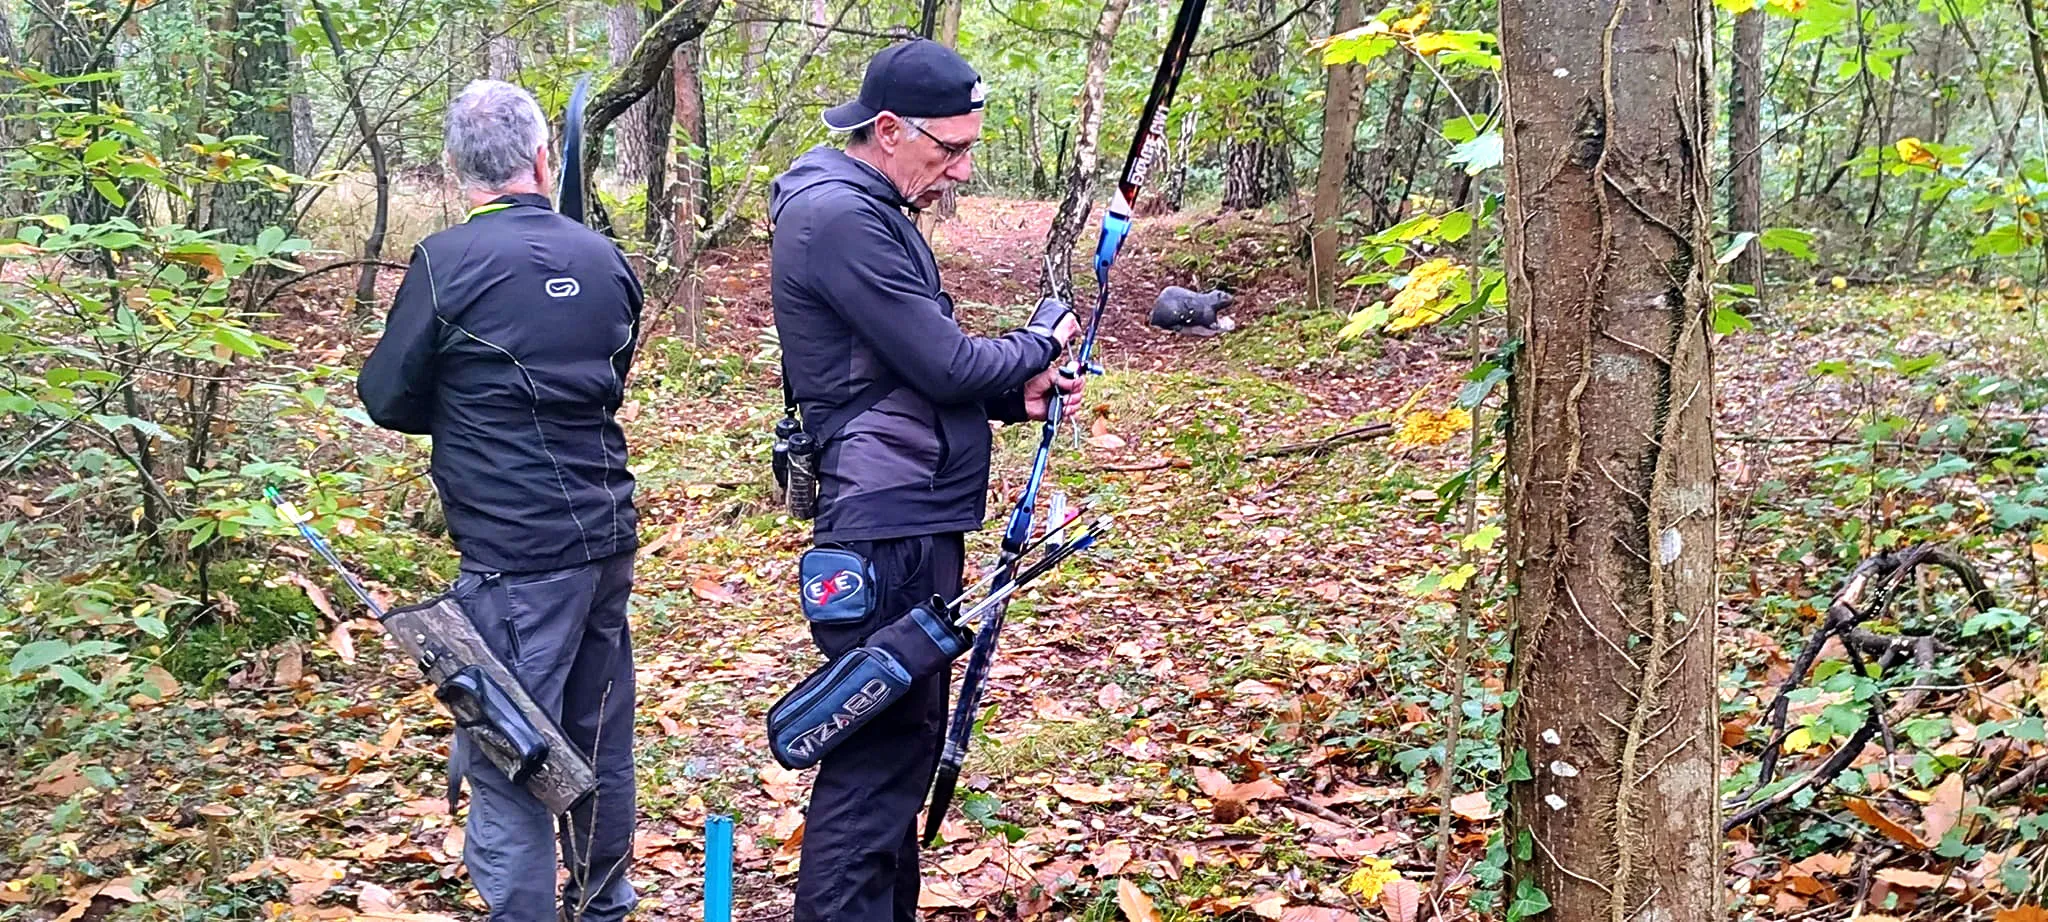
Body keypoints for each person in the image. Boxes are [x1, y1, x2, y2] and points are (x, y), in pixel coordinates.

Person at [766, 39, 1086, 922]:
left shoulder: (865, 207)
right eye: (949, 149)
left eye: (971, 147)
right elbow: (942, 362)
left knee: (900, 754)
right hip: (886, 522)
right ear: (890, 129)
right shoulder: (838, 217)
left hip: (908, 509)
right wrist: (1037, 347)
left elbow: (887, 371)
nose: (961, 168)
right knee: (876, 756)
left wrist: (1006, 396)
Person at [356, 79, 643, 922]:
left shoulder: (446, 262)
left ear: (456, 170)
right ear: (542, 159)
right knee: (596, 733)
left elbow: (386, 396)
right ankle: (604, 901)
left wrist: (468, 404)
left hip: (517, 557)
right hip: (604, 537)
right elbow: (610, 370)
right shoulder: (603, 258)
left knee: (511, 752)